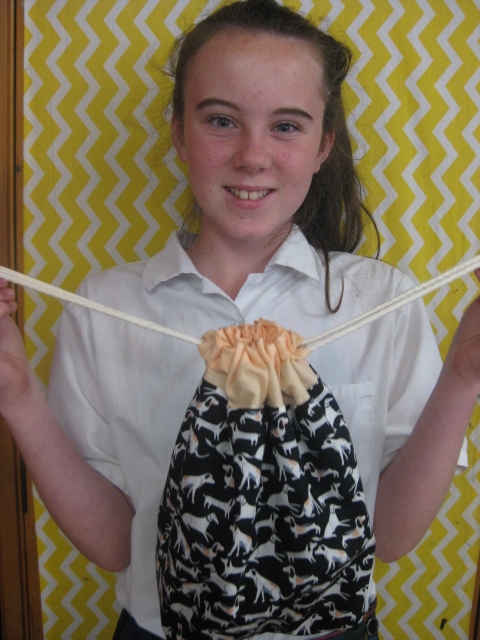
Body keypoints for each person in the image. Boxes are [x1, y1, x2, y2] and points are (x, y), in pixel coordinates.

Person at [0, 0, 479, 638]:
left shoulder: (380, 299)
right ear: (179, 132)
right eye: (222, 120)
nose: (253, 156)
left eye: (287, 126)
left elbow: (389, 537)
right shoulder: (106, 306)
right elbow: (116, 545)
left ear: (323, 145)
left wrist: (464, 374)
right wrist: (16, 394)